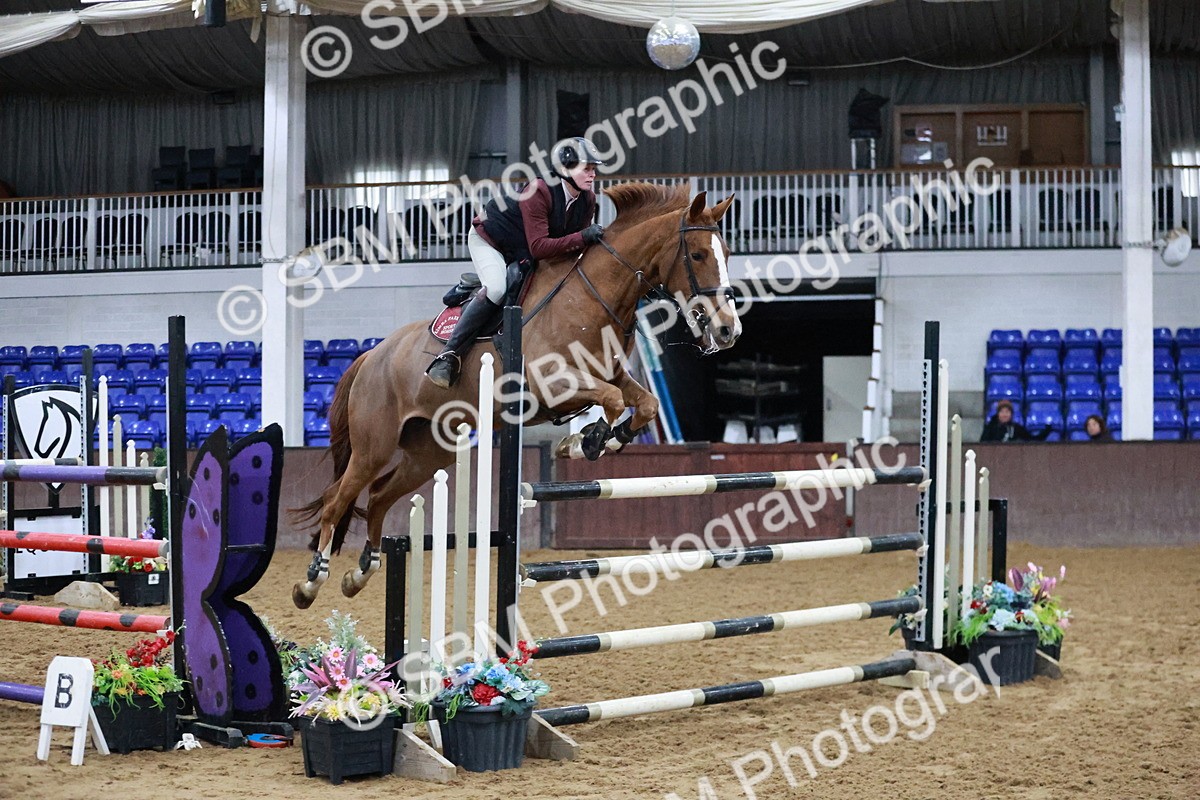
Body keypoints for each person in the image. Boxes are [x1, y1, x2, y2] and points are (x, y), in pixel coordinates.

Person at [425, 137, 607, 388]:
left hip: (522, 248)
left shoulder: (587, 199)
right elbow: (539, 247)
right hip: (491, 239)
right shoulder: (540, 191)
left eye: (594, 169)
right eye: (586, 168)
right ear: (566, 170)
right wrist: (582, 236)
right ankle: (448, 355)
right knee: (498, 287)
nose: (592, 174)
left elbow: (576, 246)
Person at [980, 399, 1053, 442]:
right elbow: (983, 444)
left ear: (1011, 414)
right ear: (998, 414)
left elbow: (1031, 440)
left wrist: (1046, 431)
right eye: (1002, 412)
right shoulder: (990, 427)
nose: (1004, 415)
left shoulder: (1016, 428)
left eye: (1007, 412)